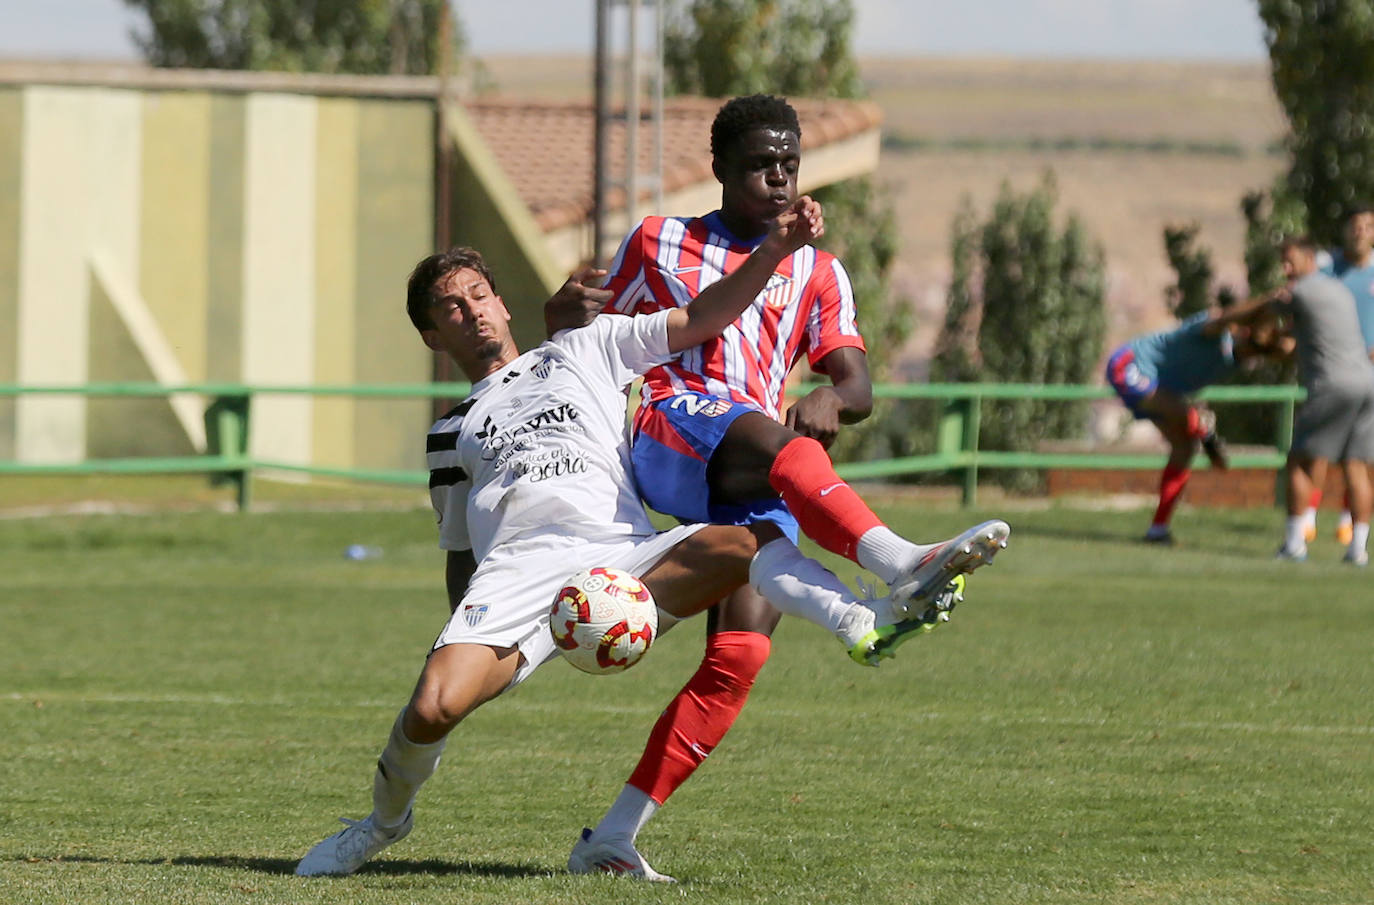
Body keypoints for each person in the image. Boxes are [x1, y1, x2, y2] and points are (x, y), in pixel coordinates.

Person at [295, 228, 1009, 877]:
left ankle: (867, 621)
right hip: (517, 577)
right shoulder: (450, 432)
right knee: (430, 707)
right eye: (451, 307)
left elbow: (701, 319)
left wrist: (772, 250)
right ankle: (383, 824)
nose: (472, 311)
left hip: (618, 554)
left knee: (746, 540)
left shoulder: (587, 346)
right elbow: (459, 545)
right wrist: (469, 631)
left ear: (506, 305)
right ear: (431, 334)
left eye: (479, 295)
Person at [548, 94, 1009, 880]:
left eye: (790, 164)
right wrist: (559, 311)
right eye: (763, 164)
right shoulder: (661, 241)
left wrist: (834, 396)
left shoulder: (819, 271)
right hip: (671, 425)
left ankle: (612, 837)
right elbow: (585, 339)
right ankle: (901, 564)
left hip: (751, 456)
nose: (780, 178)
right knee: (781, 446)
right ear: (722, 168)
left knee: (736, 658)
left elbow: (856, 384)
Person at [1104, 303, 1281, 544]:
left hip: (1158, 388)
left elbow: (1287, 349)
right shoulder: (1213, 331)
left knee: (1184, 448)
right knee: (1189, 416)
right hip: (1130, 365)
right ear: (1245, 332)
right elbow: (1223, 318)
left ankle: (1158, 530)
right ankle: (1207, 436)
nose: (1252, 354)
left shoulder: (1235, 360)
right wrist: (1269, 300)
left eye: (1258, 352)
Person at [1259, 236, 1374, 565]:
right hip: (1367, 382)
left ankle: (1295, 544)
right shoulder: (1338, 289)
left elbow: (1264, 312)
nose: (1285, 267)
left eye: (1290, 259)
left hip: (1333, 384)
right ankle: (1358, 550)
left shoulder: (1302, 290)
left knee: (1299, 461)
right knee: (1356, 467)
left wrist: (1236, 324)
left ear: (1310, 258)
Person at [1304, 205, 1374, 546]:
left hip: (1370, 375)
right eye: (1354, 225)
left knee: (1358, 456)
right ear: (1345, 229)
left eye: (1367, 226)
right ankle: (1307, 518)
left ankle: (1350, 523)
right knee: (1316, 448)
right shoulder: (1326, 267)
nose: (1360, 231)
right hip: (1330, 371)